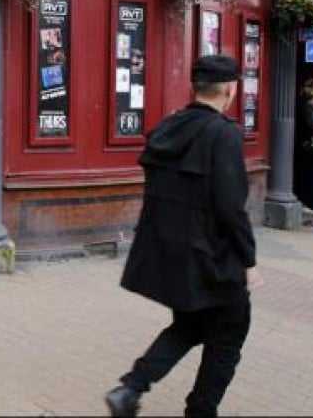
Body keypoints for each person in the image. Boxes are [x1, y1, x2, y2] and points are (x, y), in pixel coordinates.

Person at [105, 55, 258, 418]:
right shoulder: (224, 133)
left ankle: (130, 388)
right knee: (227, 338)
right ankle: (200, 411)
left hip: (174, 254)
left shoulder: (169, 126)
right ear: (229, 89)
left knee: (190, 324)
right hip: (215, 259)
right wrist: (248, 261)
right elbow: (231, 207)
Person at [295, 78, 313, 209]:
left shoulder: (310, 105)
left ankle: (309, 201)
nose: (304, 89)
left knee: (308, 174)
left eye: (307, 86)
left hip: (308, 145)